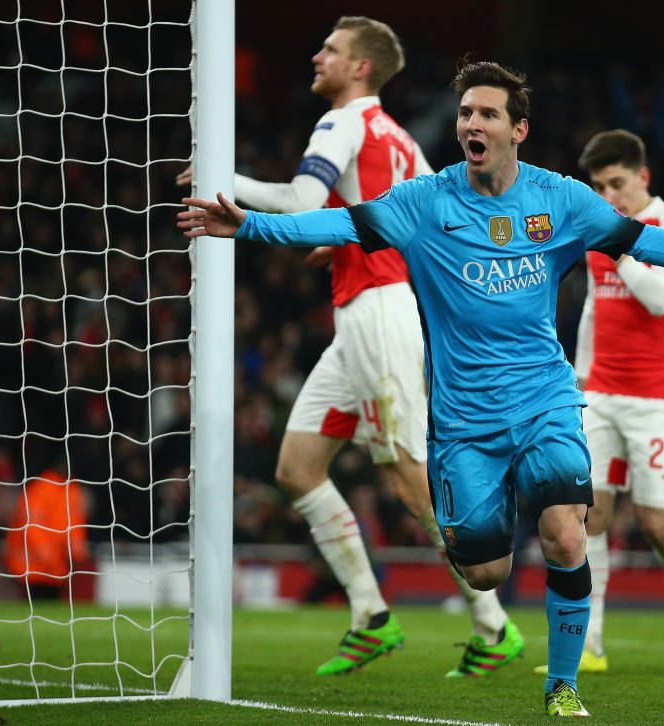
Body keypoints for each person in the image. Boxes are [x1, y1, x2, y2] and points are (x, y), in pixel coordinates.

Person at [177, 61, 664, 717]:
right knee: (486, 571)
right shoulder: (425, 203)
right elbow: (337, 225)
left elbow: (642, 243)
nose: (471, 124)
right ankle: (495, 518)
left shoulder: (561, 200)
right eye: (465, 114)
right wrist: (248, 225)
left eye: (486, 114)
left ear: (519, 130)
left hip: (545, 401)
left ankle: (562, 687)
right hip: (464, 423)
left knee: (567, 533)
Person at [179, 18, 521, 678]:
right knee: (298, 468)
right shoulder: (396, 137)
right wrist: (348, 238)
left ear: (360, 67)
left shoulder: (343, 122)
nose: (317, 56)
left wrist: (229, 181)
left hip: (377, 315)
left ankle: (493, 621)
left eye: (330, 50)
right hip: (363, 313)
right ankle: (370, 613)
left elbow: (300, 197)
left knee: (403, 471)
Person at [534, 128, 664, 679]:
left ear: (643, 177)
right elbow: (596, 306)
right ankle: (589, 642)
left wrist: (618, 244)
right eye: (599, 186)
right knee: (591, 514)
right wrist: (579, 379)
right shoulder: (602, 229)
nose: (608, 195)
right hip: (603, 394)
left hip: (659, 398)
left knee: (657, 523)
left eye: (617, 183)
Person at [4, 465, 88, 601]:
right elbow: (31, 524)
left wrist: (76, 549)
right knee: (33, 603)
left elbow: (75, 522)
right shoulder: (41, 488)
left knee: (50, 603)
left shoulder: (72, 490)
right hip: (32, 562)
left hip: (55, 563)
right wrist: (46, 552)